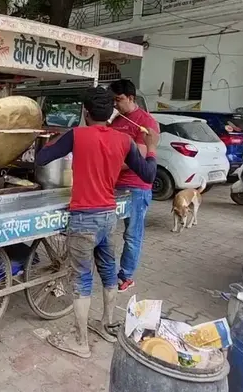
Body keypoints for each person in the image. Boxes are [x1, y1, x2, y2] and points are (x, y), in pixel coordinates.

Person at [36, 87, 158, 358]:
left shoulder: (77, 135)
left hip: (83, 218)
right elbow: (149, 175)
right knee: (108, 273)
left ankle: (80, 342)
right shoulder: (124, 141)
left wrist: (50, 141)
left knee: (81, 279)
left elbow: (42, 159)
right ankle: (106, 325)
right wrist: (151, 148)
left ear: (85, 112)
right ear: (109, 113)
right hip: (108, 216)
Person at [108, 79, 159, 293]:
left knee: (132, 234)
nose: (115, 105)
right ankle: (107, 269)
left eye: (118, 100)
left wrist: (106, 165)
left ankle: (126, 275)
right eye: (113, 101)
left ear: (131, 98)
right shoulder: (116, 121)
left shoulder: (146, 123)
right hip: (114, 185)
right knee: (106, 229)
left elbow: (138, 157)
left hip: (136, 188)